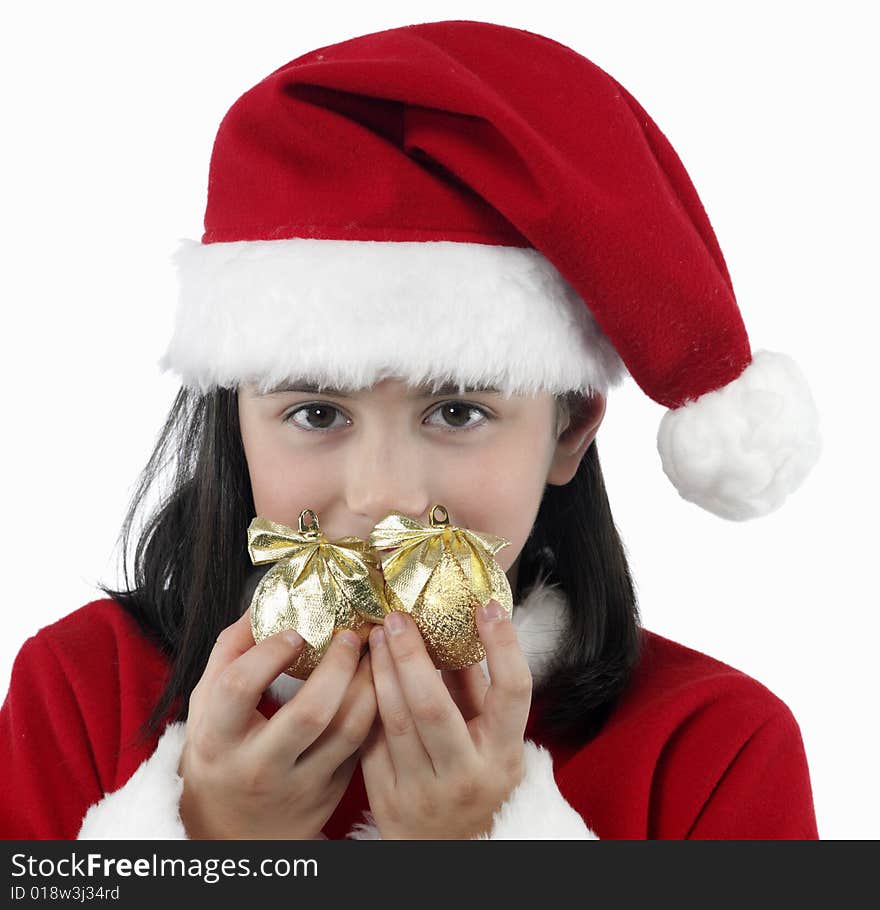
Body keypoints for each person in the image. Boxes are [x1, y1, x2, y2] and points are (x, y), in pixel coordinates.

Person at [0, 19, 822, 840]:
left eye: (457, 412)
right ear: (235, 424)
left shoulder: (717, 749)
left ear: (569, 430)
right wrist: (210, 844)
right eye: (316, 414)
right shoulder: (78, 691)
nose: (381, 496)